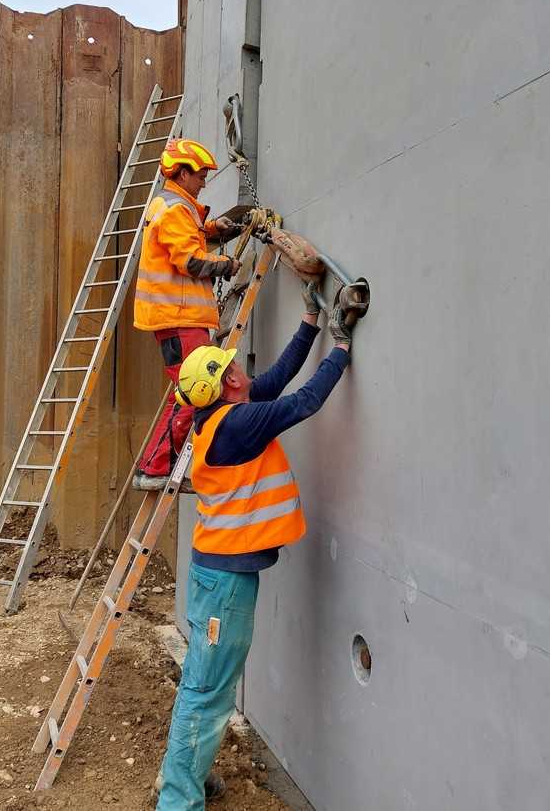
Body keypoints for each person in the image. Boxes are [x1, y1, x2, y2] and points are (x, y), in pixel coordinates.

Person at [155, 280, 360, 809]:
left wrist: (310, 323)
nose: (241, 371)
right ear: (226, 388)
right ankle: (178, 801)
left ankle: (184, 779)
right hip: (225, 582)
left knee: (204, 683)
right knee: (209, 691)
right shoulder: (238, 424)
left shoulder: (224, 415)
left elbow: (277, 377)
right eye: (230, 371)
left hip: (215, 573)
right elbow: (305, 401)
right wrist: (341, 348)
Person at [133, 138, 243, 490]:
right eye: (199, 175)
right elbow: (190, 260)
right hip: (179, 317)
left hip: (176, 317)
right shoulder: (176, 209)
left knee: (190, 388)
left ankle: (156, 465)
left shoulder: (174, 206)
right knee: (197, 389)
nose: (204, 181)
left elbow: (187, 240)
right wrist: (226, 265)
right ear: (181, 173)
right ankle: (155, 468)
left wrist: (214, 228)